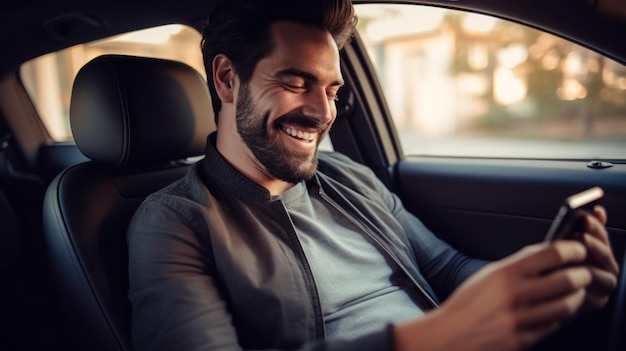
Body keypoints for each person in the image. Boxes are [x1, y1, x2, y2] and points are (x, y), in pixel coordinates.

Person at [127, 0, 619, 350]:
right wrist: (434, 338)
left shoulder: (346, 174)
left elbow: (446, 269)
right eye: (297, 82)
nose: (323, 113)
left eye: (332, 90)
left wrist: (541, 288)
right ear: (228, 79)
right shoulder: (173, 222)